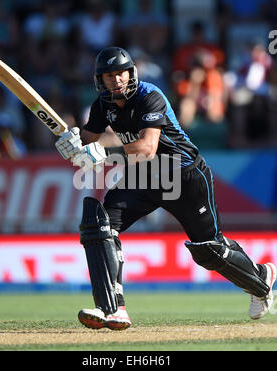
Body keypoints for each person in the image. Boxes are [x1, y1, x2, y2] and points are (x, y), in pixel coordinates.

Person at [55, 46, 276, 331]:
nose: (116, 80)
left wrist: (103, 152)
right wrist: (70, 142)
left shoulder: (150, 96)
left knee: (209, 250)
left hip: (183, 175)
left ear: (131, 72)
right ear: (101, 80)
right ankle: (112, 309)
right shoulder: (102, 105)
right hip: (143, 179)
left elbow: (147, 148)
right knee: (100, 224)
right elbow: (86, 142)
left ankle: (261, 278)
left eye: (121, 73)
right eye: (109, 76)